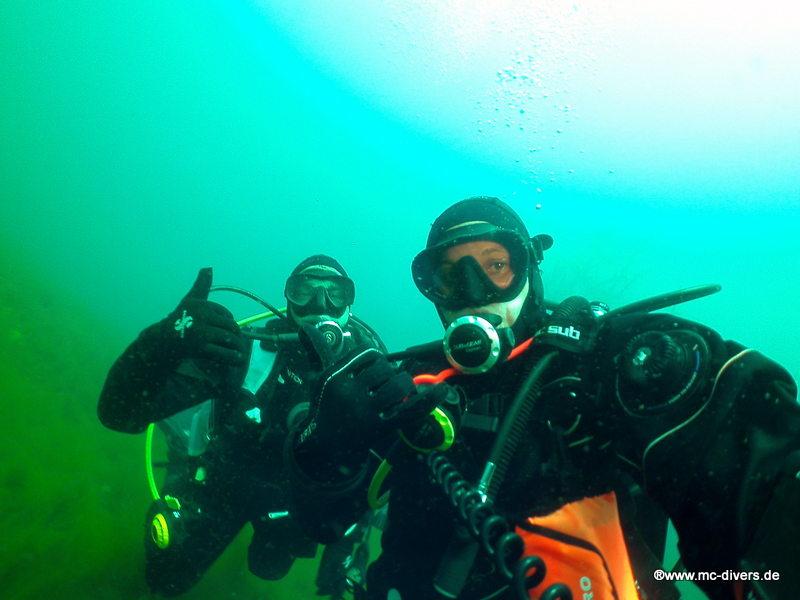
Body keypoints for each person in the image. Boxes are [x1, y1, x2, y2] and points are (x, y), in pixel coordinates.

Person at [284, 197, 800, 599]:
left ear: (529, 269)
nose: (475, 291)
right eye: (451, 275)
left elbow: (760, 488)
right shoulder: (409, 389)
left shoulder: (607, 367)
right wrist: (326, 446)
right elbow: (320, 526)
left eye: (496, 265)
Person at [98, 255, 385, 597]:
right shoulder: (245, 354)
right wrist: (162, 341)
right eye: (304, 290)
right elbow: (119, 413)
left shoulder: (370, 375)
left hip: (291, 505)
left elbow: (379, 475)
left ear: (349, 304)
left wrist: (347, 550)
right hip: (225, 485)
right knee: (165, 579)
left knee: (268, 568)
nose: (320, 304)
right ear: (288, 298)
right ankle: (181, 465)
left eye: (335, 293)